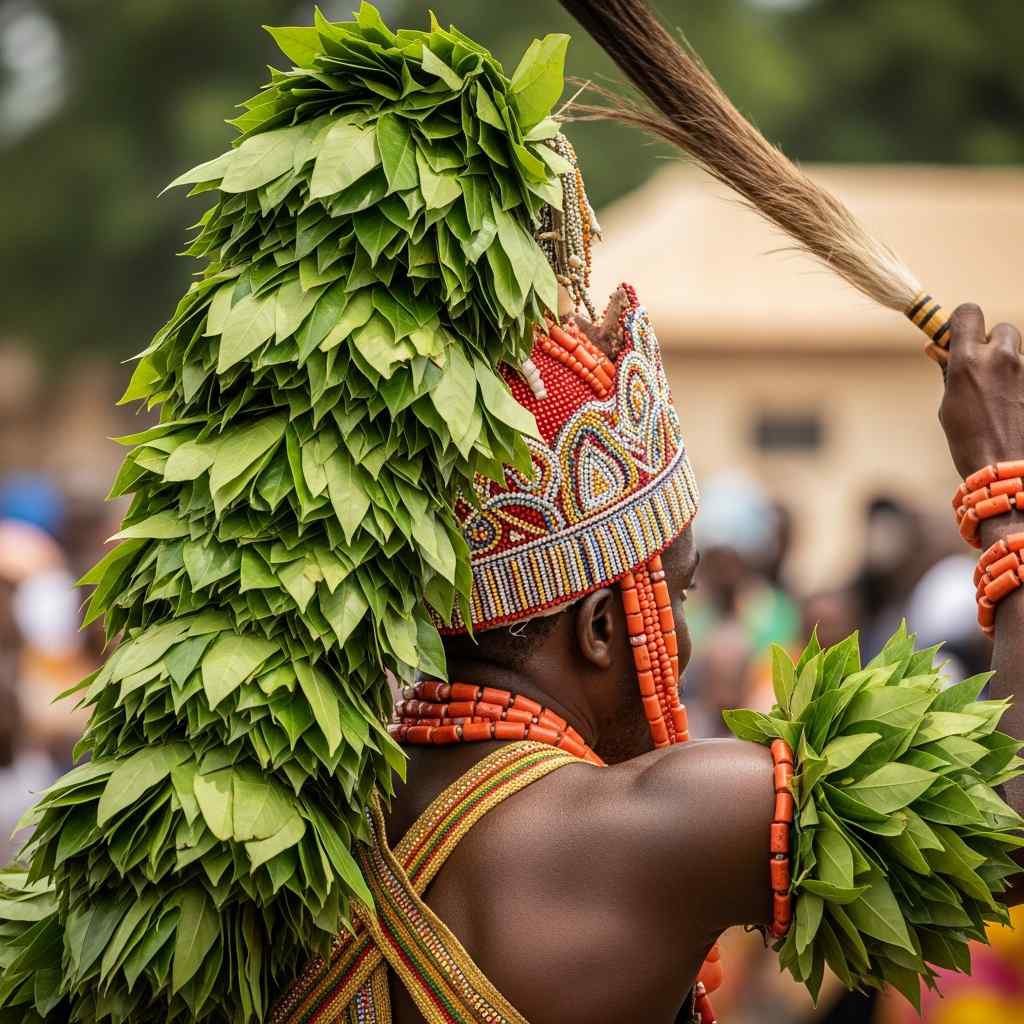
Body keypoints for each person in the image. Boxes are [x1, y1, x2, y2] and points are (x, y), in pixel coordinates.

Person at [2, 9, 1022, 1024]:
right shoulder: (636, 829)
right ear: (596, 625)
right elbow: (1005, 821)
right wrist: (1004, 484)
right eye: (672, 588)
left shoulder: (265, 840)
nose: (682, 618)